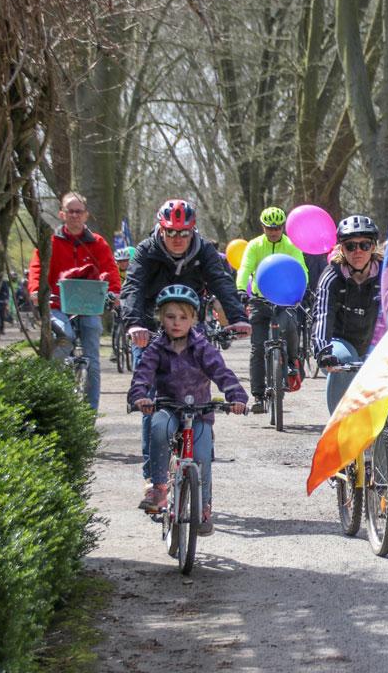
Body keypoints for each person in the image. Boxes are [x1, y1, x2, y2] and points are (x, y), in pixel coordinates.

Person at [120, 199, 249, 496]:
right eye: (171, 232)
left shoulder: (203, 250)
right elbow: (133, 288)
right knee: (151, 399)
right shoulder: (146, 251)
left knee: (199, 391)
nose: (177, 239)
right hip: (151, 329)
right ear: (161, 230)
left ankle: (201, 452)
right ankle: (154, 477)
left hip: (190, 326)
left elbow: (222, 283)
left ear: (193, 231)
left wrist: (239, 318)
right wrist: (134, 325)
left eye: (184, 233)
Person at [130, 285, 247, 537]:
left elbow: (221, 373)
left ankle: (203, 507)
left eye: (183, 317)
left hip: (200, 412)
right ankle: (159, 487)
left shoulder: (203, 347)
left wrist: (236, 397)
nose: (176, 323)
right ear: (160, 317)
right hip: (168, 408)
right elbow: (143, 374)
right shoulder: (156, 347)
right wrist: (140, 396)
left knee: (203, 457)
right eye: (170, 316)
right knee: (158, 428)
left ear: (194, 319)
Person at [27, 192, 121, 411]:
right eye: (70, 211)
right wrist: (35, 291)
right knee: (63, 335)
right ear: (62, 214)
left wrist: (114, 292)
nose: (75, 215)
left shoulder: (97, 243)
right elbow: (37, 269)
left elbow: (110, 270)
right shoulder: (50, 241)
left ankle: (89, 414)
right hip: (57, 304)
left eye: (79, 211)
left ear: (86, 215)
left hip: (87, 305)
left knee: (92, 358)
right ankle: (52, 384)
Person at [236, 206, 310, 408]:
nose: (273, 232)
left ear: (282, 227)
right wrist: (242, 288)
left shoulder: (291, 245)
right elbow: (245, 268)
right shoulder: (254, 245)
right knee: (257, 348)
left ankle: (293, 361)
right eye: (269, 228)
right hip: (260, 300)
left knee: (291, 326)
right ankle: (259, 395)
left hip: (285, 299)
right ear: (263, 227)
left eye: (277, 228)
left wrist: (301, 289)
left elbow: (301, 268)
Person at [311, 215, 382, 415]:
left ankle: (381, 438)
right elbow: (323, 316)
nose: (357, 251)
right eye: (350, 246)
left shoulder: (387, 274)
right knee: (343, 357)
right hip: (339, 342)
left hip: (374, 341)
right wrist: (323, 352)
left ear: (373, 247)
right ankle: (340, 427)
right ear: (341, 249)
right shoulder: (331, 277)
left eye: (364, 245)